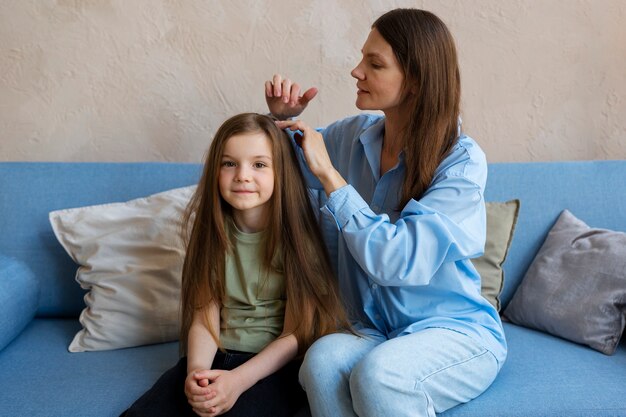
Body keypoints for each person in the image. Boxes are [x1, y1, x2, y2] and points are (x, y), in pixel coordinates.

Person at [264, 8, 507, 417]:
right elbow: (278, 166)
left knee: (381, 375)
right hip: (378, 331)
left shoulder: (461, 163)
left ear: (415, 81)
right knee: (321, 362)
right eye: (363, 58)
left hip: (454, 331)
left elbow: (395, 261)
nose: (356, 71)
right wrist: (280, 121)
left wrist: (331, 178)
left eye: (375, 64)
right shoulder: (352, 136)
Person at [121, 113, 350, 417]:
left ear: (280, 173)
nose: (242, 175)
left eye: (259, 164)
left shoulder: (297, 239)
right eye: (229, 163)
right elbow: (204, 319)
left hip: (273, 366)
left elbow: (296, 334)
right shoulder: (212, 234)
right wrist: (197, 373)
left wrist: (238, 381)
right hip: (216, 355)